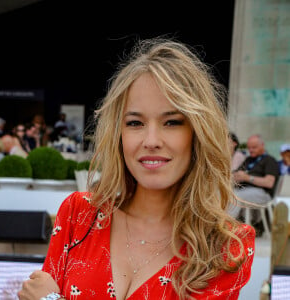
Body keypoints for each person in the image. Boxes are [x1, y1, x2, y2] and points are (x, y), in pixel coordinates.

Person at [18, 38, 255, 300]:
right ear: (118, 133)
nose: (151, 140)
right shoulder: (78, 214)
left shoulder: (226, 246)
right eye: (135, 123)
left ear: (198, 133)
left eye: (172, 122)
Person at [231, 134, 280, 224]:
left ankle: (226, 225)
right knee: (225, 193)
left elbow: (269, 183)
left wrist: (247, 178)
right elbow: (236, 174)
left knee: (236, 196)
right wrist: (237, 176)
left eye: (254, 147)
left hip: (263, 193)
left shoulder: (270, 160)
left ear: (262, 145)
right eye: (249, 148)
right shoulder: (248, 159)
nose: (251, 150)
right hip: (244, 190)